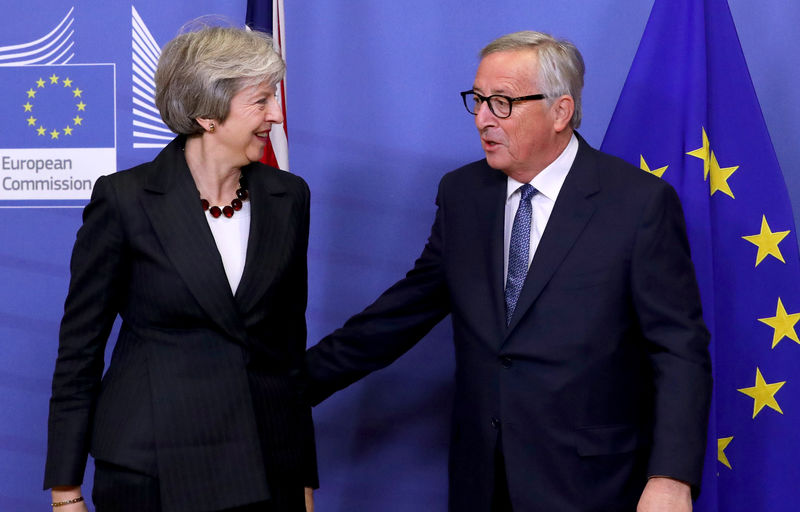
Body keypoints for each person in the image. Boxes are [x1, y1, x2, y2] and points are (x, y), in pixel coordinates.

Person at [305, 31, 712, 511]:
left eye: (501, 103)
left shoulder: (637, 204)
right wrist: (287, 386)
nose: (482, 120)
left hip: (591, 482)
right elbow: (399, 315)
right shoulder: (463, 194)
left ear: (560, 111)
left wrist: (671, 477)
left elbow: (678, 350)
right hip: (483, 479)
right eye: (477, 101)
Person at [44, 24, 317, 512]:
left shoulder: (288, 196)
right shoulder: (125, 199)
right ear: (207, 113)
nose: (276, 115)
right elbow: (79, 351)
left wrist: (302, 475)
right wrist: (65, 490)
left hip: (265, 463)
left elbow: (288, 348)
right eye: (261, 101)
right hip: (153, 467)